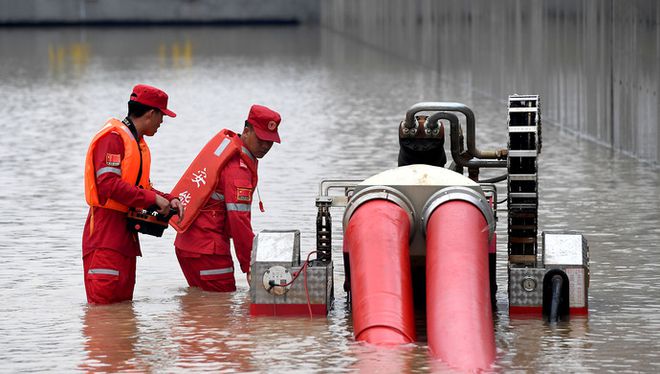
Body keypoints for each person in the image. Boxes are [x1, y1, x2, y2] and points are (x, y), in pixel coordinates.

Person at [82, 84, 184, 304]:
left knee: (122, 315)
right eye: (162, 116)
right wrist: (152, 199)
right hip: (105, 237)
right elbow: (108, 185)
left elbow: (140, 188)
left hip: (125, 239)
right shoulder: (113, 138)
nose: (162, 122)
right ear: (150, 114)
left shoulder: (136, 143)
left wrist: (168, 198)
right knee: (104, 314)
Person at [173, 104, 281, 292]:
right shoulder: (238, 169)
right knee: (220, 310)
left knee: (203, 309)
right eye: (261, 139)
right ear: (246, 131)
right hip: (208, 250)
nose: (266, 146)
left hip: (187, 245)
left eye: (270, 141)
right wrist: (250, 265)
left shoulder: (232, 152)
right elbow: (239, 220)